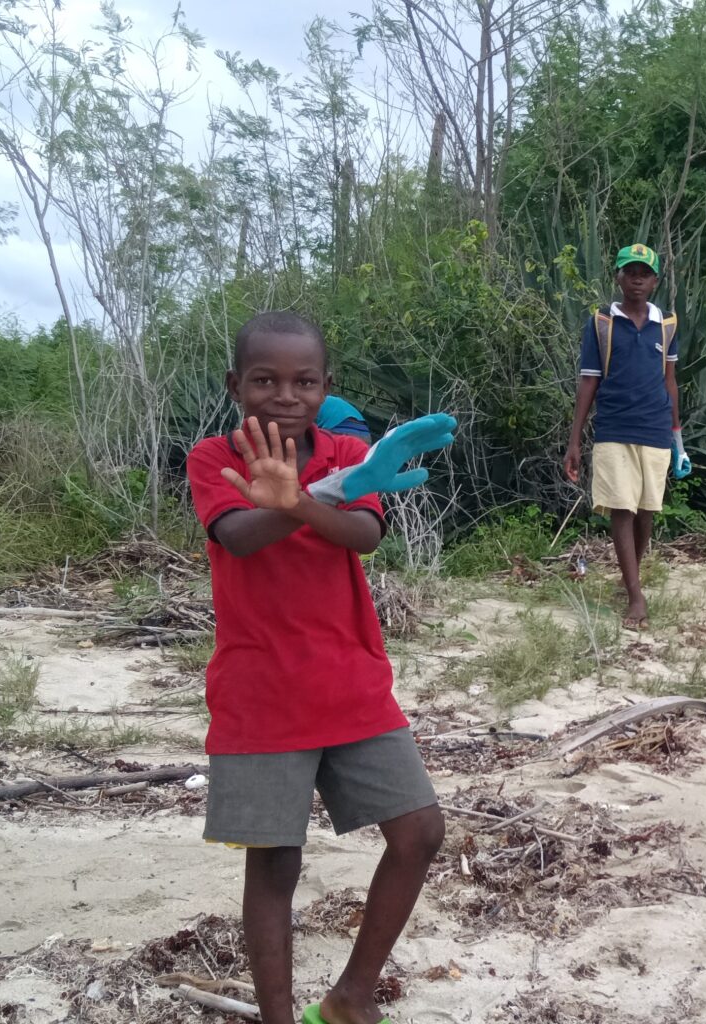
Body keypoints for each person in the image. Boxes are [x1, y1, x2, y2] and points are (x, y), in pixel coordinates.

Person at [186, 311, 445, 1024]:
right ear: (236, 384)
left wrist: (307, 495)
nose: (285, 395)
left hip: (352, 682)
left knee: (420, 832)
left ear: (326, 387)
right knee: (274, 861)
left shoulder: (345, 457)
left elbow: (363, 533)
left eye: (303, 381)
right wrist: (294, 502)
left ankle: (349, 999)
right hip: (260, 694)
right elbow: (239, 537)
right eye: (265, 380)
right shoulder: (215, 458)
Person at [562, 243, 689, 629]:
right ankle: (635, 595)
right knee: (622, 507)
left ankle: (627, 576)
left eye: (644, 273)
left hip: (654, 428)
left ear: (655, 281)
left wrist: (677, 436)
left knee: (647, 509)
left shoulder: (666, 323)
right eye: (629, 271)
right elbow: (589, 380)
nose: (637, 279)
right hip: (614, 426)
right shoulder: (601, 323)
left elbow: (670, 382)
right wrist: (575, 440)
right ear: (617, 276)